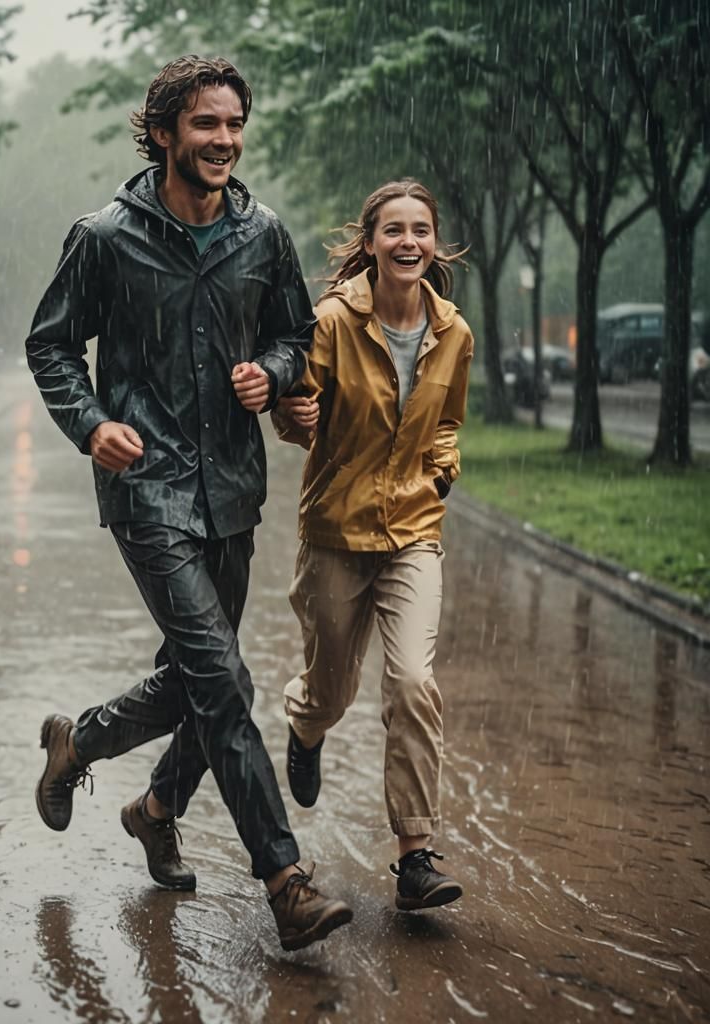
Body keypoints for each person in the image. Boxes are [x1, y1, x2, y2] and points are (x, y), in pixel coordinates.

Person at [25, 55, 352, 952]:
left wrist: (276, 372)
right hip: (147, 490)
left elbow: (296, 331)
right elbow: (50, 346)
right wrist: (92, 424)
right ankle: (284, 880)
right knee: (222, 682)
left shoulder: (264, 235)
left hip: (234, 491)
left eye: (235, 125)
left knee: (202, 681)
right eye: (206, 125)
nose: (224, 141)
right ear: (165, 132)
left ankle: (126, 780)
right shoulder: (104, 237)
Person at [273, 179, 472, 912]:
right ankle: (306, 721)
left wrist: (442, 467)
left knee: (414, 683)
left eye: (421, 229)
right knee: (334, 687)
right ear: (370, 244)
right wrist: (295, 414)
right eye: (394, 230)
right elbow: (300, 422)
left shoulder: (454, 332)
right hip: (336, 529)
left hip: (414, 531)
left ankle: (415, 855)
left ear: (434, 242)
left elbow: (447, 419)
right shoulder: (331, 322)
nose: (409, 242)